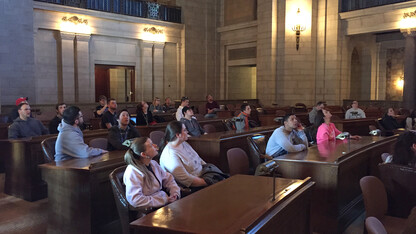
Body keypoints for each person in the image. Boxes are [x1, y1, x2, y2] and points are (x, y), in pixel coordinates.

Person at [159, 121, 227, 189]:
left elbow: (198, 159)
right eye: (185, 130)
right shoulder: (170, 155)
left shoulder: (184, 143)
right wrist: (209, 181)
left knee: (226, 180)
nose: (187, 132)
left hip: (205, 174)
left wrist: (210, 170)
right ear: (178, 135)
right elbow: (187, 180)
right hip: (196, 185)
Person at [123, 137, 180, 208]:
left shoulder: (153, 163)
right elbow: (135, 200)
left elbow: (168, 179)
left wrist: (174, 193)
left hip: (165, 203)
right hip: (150, 210)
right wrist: (163, 200)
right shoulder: (133, 172)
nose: (155, 145)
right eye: (151, 145)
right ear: (143, 154)